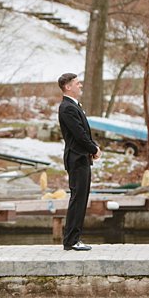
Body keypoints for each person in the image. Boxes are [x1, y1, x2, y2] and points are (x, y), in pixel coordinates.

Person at [57, 73, 100, 251]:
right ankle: (71, 240)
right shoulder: (67, 107)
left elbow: (83, 132)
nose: (80, 85)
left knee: (81, 198)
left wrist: (92, 148)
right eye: (77, 83)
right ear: (68, 87)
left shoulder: (74, 106)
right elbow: (79, 134)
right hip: (76, 158)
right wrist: (94, 148)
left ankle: (74, 238)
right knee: (78, 198)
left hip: (81, 157)